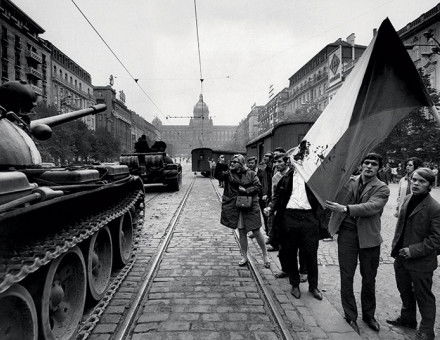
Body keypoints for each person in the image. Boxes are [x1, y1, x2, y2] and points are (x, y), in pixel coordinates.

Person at [325, 153, 390, 334]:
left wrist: (345, 209)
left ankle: (369, 316)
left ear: (379, 168)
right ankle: (350, 315)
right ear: (361, 165)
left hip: (369, 238)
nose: (369, 167)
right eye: (366, 163)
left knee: (369, 278)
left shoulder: (382, 188)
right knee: (347, 276)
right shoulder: (348, 181)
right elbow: (330, 195)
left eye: (374, 164)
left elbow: (372, 207)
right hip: (347, 235)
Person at [387, 168, 440, 340]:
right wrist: (397, 249)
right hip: (401, 258)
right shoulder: (408, 198)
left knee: (424, 296)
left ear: (430, 185)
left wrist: (413, 250)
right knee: (405, 291)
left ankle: (427, 331)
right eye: (414, 180)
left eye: (421, 181)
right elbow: (401, 227)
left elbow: (436, 240)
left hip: (421, 262)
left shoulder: (434, 208)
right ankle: (408, 319)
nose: (416, 184)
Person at [264, 153, 323, 300]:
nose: (297, 163)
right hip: (290, 217)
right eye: (295, 161)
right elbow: (277, 197)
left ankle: (313, 286)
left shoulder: (314, 178)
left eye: (300, 161)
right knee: (290, 252)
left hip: (309, 218)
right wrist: (271, 207)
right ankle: (295, 285)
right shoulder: (286, 178)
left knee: (311, 253)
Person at [216, 154, 270, 267]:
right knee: (241, 232)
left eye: (234, 162)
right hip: (237, 206)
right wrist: (220, 163)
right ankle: (244, 256)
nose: (231, 164)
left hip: (250, 206)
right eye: (231, 162)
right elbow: (218, 175)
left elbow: (258, 187)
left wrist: (246, 190)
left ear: (240, 164)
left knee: (256, 230)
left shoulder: (250, 173)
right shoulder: (229, 174)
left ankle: (265, 255)